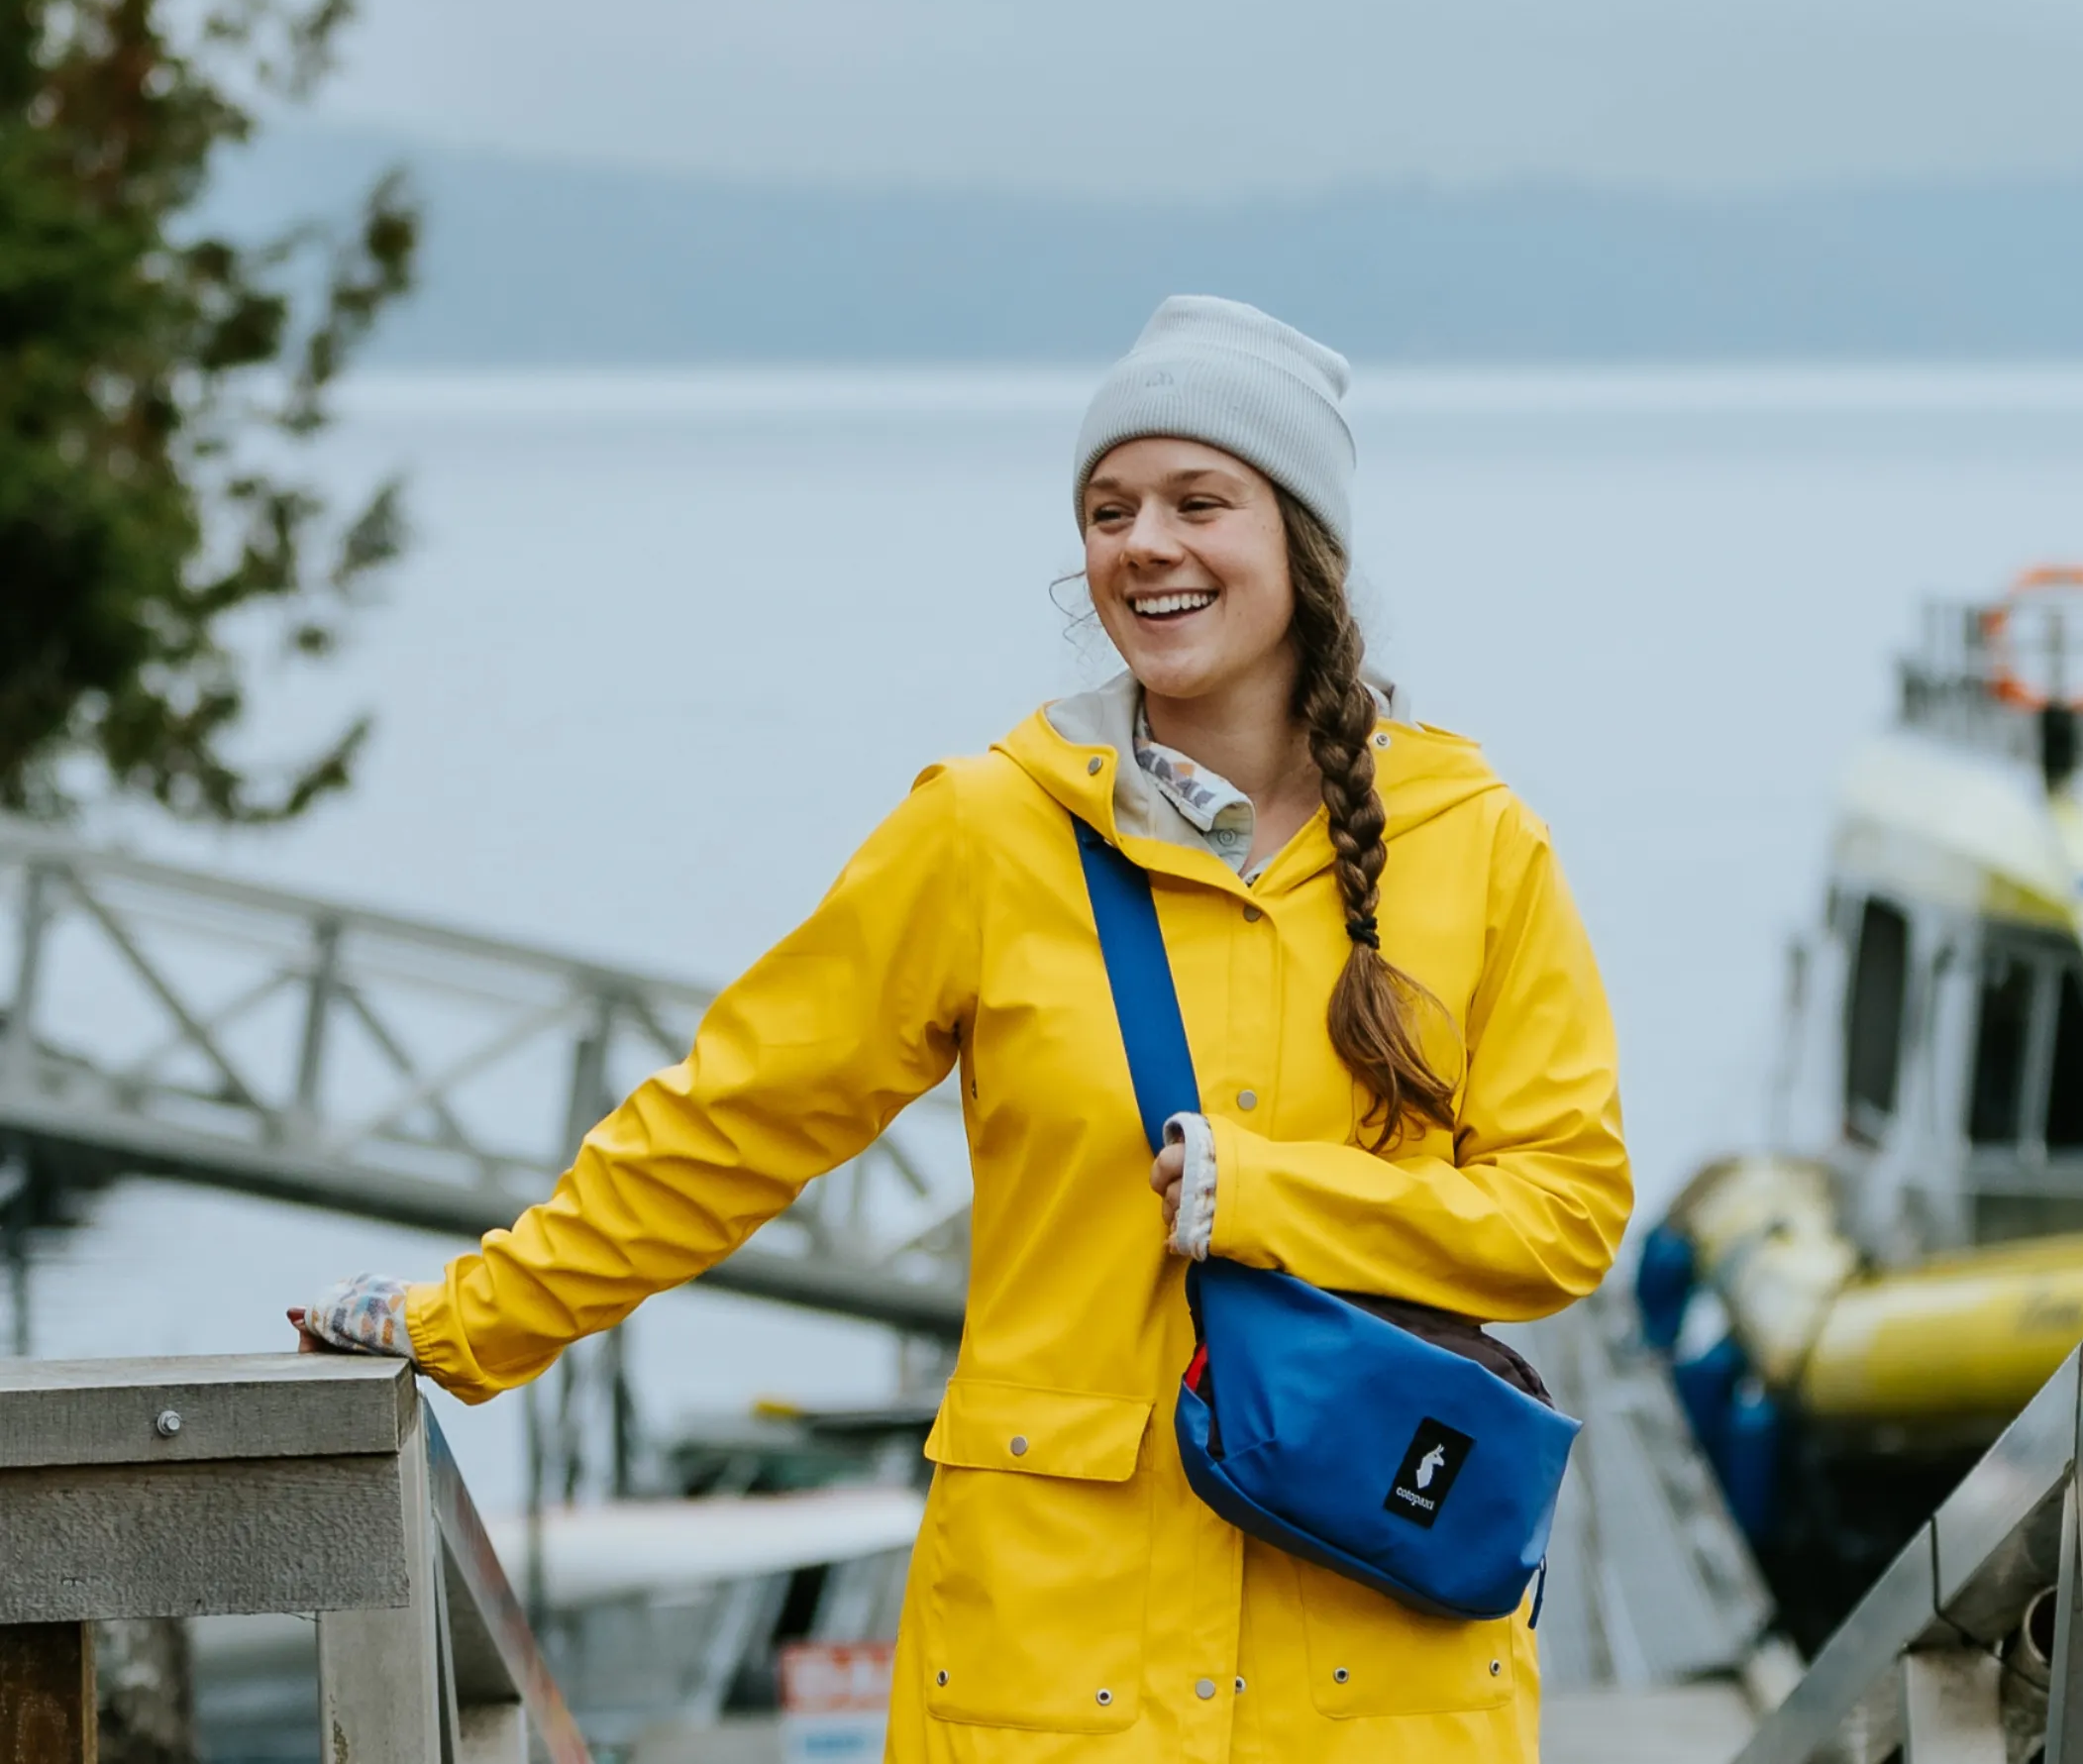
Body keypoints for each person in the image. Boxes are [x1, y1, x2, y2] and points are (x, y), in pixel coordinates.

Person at [290, 296, 1634, 1762]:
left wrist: (1259, 1198)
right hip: (1056, 1678)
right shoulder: (985, 835)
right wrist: (467, 1323)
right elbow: (731, 1123)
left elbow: (1562, 1215)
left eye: (1201, 500)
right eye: (1109, 508)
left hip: (1378, 1684)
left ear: (1303, 545)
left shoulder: (1477, 844)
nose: (1146, 544)